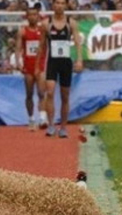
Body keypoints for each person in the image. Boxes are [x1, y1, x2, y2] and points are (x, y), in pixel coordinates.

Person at [36, 0, 83, 138]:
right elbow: (41, 46)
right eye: (57, 3)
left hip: (66, 63)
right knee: (49, 92)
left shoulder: (71, 23)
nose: (60, 6)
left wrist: (79, 60)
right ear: (53, 5)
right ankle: (51, 125)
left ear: (65, 5)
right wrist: (37, 65)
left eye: (62, 3)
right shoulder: (46, 24)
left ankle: (63, 127)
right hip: (52, 62)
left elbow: (78, 43)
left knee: (65, 96)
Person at [16, 6, 48, 131]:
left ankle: (42, 118)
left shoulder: (43, 30)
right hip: (28, 67)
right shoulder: (22, 31)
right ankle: (31, 119)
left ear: (38, 16)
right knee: (29, 94)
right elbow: (18, 48)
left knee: (41, 92)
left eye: (34, 14)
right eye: (30, 15)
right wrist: (18, 61)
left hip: (40, 66)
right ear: (26, 16)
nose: (32, 17)